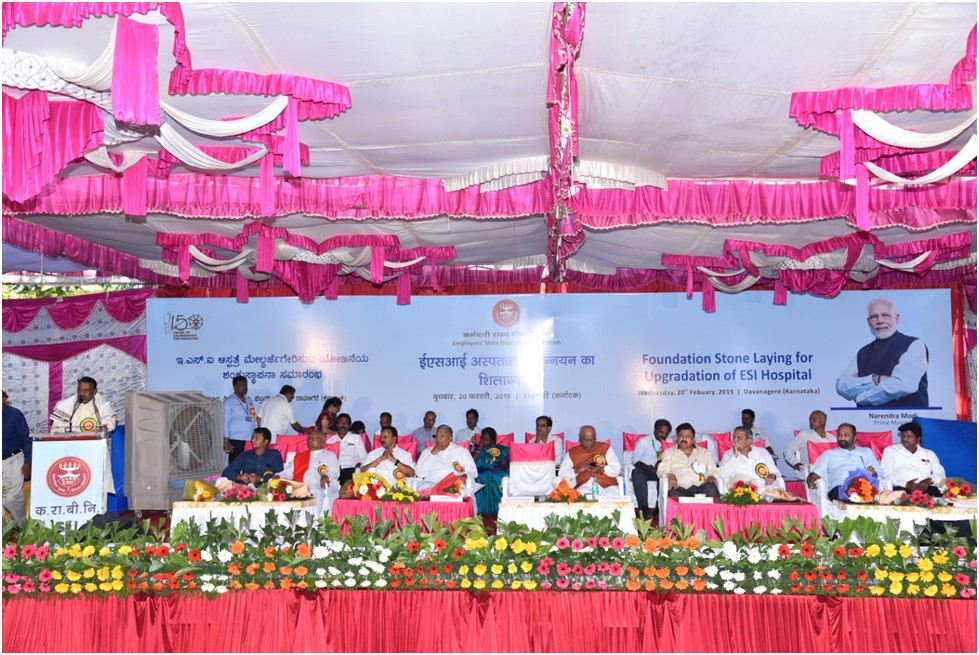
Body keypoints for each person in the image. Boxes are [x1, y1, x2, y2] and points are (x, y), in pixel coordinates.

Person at [836, 298, 929, 407]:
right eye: (874, 317)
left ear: (897, 318)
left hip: (907, 417)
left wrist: (861, 398)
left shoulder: (914, 345)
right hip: (865, 417)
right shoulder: (862, 352)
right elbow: (841, 386)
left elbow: (902, 386)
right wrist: (875, 380)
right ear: (868, 322)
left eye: (886, 315)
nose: (880, 321)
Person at [807, 423, 880, 501]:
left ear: (854, 438)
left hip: (863, 487)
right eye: (839, 435)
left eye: (846, 435)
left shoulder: (866, 452)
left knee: (872, 492)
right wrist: (811, 479)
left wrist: (873, 473)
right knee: (855, 493)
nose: (842, 438)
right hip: (839, 487)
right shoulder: (829, 454)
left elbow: (879, 473)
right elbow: (815, 473)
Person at [279, 430, 340, 517]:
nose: (309, 441)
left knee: (318, 492)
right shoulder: (300, 456)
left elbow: (335, 471)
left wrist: (326, 475)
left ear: (322, 442)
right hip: (301, 486)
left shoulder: (330, 455)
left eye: (313, 438)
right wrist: (278, 475)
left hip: (319, 485)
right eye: (309, 439)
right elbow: (288, 472)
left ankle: (316, 521)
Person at [881, 422, 946, 496]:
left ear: (918, 439)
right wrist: (906, 484)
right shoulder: (891, 451)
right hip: (902, 488)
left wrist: (929, 480)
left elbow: (941, 474)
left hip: (926, 488)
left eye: (909, 436)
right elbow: (886, 474)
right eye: (903, 436)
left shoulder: (929, 454)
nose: (904, 439)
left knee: (942, 493)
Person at [658, 422, 721, 498]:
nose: (684, 438)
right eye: (681, 436)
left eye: (688, 436)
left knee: (711, 488)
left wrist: (712, 476)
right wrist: (669, 475)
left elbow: (713, 469)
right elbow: (661, 469)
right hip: (680, 488)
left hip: (701, 487)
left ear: (694, 439)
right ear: (677, 438)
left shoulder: (704, 452)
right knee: (672, 493)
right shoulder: (669, 452)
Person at [558, 425, 622, 496]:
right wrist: (577, 470)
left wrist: (601, 470)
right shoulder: (572, 452)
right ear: (580, 438)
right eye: (585, 439)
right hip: (585, 485)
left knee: (611, 494)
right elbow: (562, 472)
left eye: (591, 439)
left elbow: (617, 468)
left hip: (607, 484)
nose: (588, 442)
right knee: (580, 495)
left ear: (595, 438)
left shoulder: (605, 448)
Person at [416, 425, 478, 494]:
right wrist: (432, 454)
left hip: (452, 485)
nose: (438, 439)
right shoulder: (427, 451)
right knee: (424, 487)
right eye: (437, 436)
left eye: (442, 436)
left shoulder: (461, 451)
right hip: (431, 484)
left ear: (450, 438)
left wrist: (463, 477)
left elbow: (473, 471)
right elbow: (419, 473)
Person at [720, 425, 784, 492]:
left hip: (766, 488)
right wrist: (735, 456)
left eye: (739, 438)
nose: (735, 440)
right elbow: (723, 474)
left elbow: (774, 470)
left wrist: (772, 475)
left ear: (749, 441)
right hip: (745, 491)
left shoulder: (762, 452)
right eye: (734, 437)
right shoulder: (728, 455)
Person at [630, 418, 672, 520]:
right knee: (636, 473)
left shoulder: (670, 443)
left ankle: (659, 508)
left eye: (666, 433)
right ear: (655, 429)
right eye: (661, 432)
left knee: (666, 476)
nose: (663, 435)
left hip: (661, 470)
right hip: (645, 469)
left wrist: (661, 466)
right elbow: (635, 460)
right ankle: (644, 509)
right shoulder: (644, 441)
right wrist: (647, 468)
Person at [2, 390, 32, 525]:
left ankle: (24, 527)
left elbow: (26, 440)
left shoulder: (15, 414)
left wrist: (28, 462)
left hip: (12, 461)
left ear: (5, 398)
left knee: (10, 498)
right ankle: (4, 533)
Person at [50, 376, 117, 435]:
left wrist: (105, 427)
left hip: (94, 442)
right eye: (79, 389)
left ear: (94, 392)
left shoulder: (102, 404)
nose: (82, 393)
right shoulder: (66, 405)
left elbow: (110, 419)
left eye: (86, 390)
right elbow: (56, 429)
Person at [782, 410, 835, 479]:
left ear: (823, 421)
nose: (811, 421)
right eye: (810, 419)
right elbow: (788, 450)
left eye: (814, 419)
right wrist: (795, 463)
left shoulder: (832, 439)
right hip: (809, 472)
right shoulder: (804, 435)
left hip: (829, 472)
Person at [471, 427, 510, 517]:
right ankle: (480, 509)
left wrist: (499, 467)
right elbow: (471, 463)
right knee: (479, 477)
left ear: (492, 440)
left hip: (496, 472)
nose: (484, 441)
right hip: (480, 472)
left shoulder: (501, 449)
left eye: (486, 440)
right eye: (482, 439)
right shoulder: (475, 448)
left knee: (498, 476)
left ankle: (498, 509)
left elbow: (505, 465)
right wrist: (479, 449)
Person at [222, 375, 259, 464]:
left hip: (250, 440)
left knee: (249, 465)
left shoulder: (249, 400)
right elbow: (225, 423)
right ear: (234, 387)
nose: (245, 387)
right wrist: (227, 442)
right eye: (241, 385)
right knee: (236, 465)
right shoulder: (229, 402)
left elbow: (254, 418)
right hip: (236, 440)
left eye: (246, 385)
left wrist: (256, 436)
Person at [325, 413, 367, 487]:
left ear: (349, 425)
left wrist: (359, 465)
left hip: (350, 469)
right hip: (335, 470)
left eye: (346, 423)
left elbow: (363, 456)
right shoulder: (330, 441)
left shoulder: (356, 438)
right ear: (337, 425)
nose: (343, 424)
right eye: (341, 422)